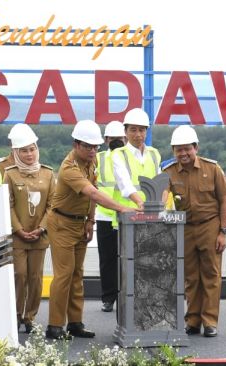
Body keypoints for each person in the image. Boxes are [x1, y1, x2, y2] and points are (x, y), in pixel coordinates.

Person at [45, 119, 139, 340]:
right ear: (76, 145)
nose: (93, 150)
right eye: (88, 146)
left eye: (96, 146)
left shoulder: (91, 162)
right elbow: (93, 193)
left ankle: (75, 323)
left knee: (77, 275)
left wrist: (90, 221)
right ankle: (54, 326)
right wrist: (122, 208)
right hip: (61, 224)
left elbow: (94, 191)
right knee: (64, 275)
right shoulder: (69, 168)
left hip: (79, 223)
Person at [163, 125, 226, 338]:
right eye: (178, 150)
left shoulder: (212, 169)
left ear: (196, 148)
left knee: (211, 275)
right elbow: (161, 199)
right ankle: (192, 321)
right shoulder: (169, 172)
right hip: (185, 228)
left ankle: (210, 321)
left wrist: (223, 232)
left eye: (187, 149)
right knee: (190, 277)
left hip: (210, 226)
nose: (183, 154)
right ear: (173, 151)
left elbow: (224, 200)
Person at [3, 123, 55, 333]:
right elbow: (8, 204)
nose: (29, 154)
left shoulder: (49, 174)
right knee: (19, 274)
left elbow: (53, 204)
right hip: (18, 236)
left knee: (35, 277)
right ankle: (14, 315)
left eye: (32, 149)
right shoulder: (10, 174)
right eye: (24, 151)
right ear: (16, 152)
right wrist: (18, 229)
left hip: (40, 236)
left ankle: (30, 317)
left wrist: (42, 228)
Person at [95, 120, 126, 313]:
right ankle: (108, 297)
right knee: (107, 259)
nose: (116, 142)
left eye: (120, 139)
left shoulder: (130, 158)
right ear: (106, 140)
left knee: (129, 259)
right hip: (105, 216)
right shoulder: (97, 159)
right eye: (113, 139)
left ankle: (127, 296)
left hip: (127, 216)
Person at [111, 108, 161, 212]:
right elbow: (125, 184)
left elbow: (159, 183)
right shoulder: (119, 154)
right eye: (133, 130)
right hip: (128, 216)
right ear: (125, 131)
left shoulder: (154, 153)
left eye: (141, 130)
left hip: (152, 216)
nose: (138, 134)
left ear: (146, 131)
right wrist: (140, 203)